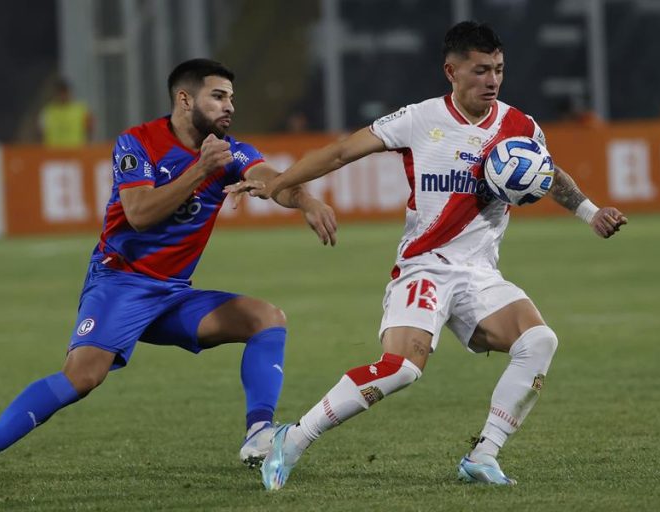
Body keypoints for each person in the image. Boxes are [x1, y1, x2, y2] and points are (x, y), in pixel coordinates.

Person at [238, 21, 627, 490]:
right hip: (424, 267)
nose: (492, 80)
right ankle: (294, 439)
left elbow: (549, 173)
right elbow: (341, 152)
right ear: (451, 71)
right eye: (480, 70)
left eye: (498, 70)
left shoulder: (520, 127)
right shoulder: (419, 119)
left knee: (539, 341)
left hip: (479, 274)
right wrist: (279, 184)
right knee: (402, 369)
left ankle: (483, 455)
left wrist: (591, 212)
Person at [0, 58, 337, 497]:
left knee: (265, 318)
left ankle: (260, 434)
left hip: (172, 294)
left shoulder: (230, 152)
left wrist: (306, 202)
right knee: (82, 377)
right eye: (218, 96)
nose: (229, 106)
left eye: (231, 97)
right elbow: (139, 213)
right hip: (120, 283)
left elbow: (274, 180)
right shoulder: (138, 143)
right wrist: (200, 170)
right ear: (185, 99)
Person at [39, 78, 94, 147]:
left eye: (64, 92)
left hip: (76, 151)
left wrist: (88, 147)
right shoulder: (47, 112)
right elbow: (41, 133)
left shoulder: (82, 110)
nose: (62, 96)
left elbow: (90, 130)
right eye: (60, 93)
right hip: (54, 151)